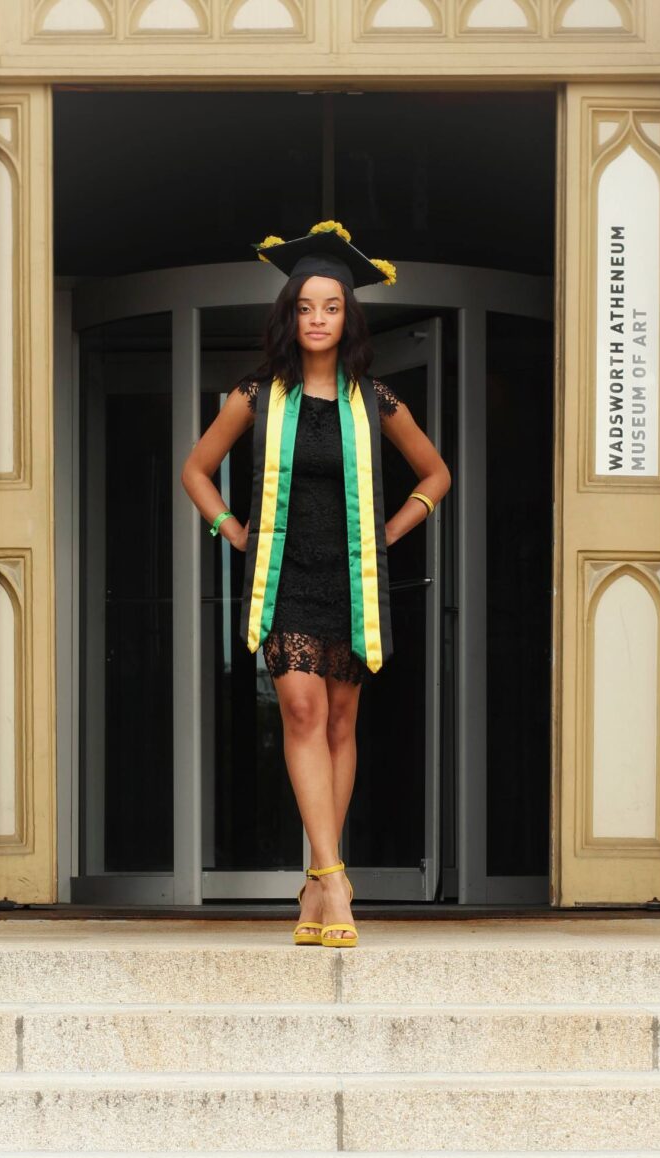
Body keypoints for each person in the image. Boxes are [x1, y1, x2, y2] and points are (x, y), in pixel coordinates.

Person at [180, 220, 451, 947]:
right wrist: (230, 529)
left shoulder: (375, 400)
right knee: (301, 710)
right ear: (290, 316)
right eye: (306, 307)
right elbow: (196, 470)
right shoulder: (257, 395)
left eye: (331, 307)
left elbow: (436, 474)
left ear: (347, 317)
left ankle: (313, 884)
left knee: (339, 724)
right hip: (286, 580)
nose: (318, 319)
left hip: (350, 582)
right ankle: (335, 882)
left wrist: (391, 532)